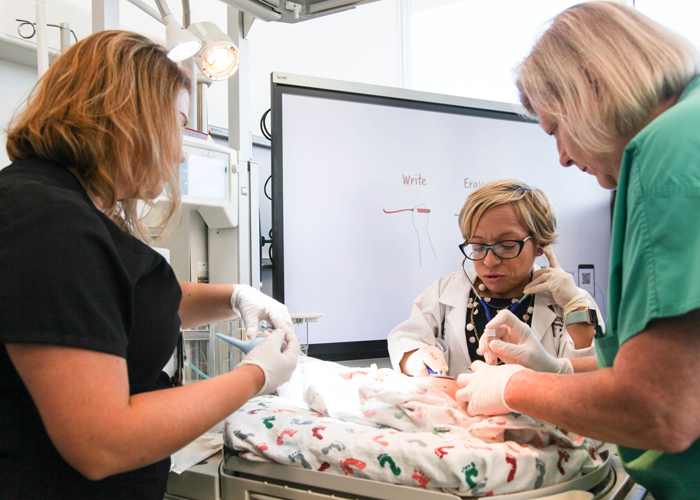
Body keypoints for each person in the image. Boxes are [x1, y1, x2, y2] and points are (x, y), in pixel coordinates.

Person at [0, 31, 299, 499]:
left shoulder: (60, 207)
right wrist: (253, 377)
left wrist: (233, 295)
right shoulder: (49, 223)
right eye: (178, 125)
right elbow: (101, 442)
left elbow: (116, 300)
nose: (180, 151)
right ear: (127, 117)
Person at [456, 3, 700, 499]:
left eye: (555, 129)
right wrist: (557, 368)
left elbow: (659, 408)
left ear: (594, 84)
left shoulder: (668, 153)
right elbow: (681, 365)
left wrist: (513, 387)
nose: (563, 157)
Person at [387, 179, 599, 377]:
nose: (489, 261)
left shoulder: (571, 303)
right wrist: (415, 357)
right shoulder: (444, 292)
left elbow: (591, 384)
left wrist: (576, 309)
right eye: (478, 247)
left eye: (506, 246)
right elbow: (404, 340)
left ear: (540, 245)